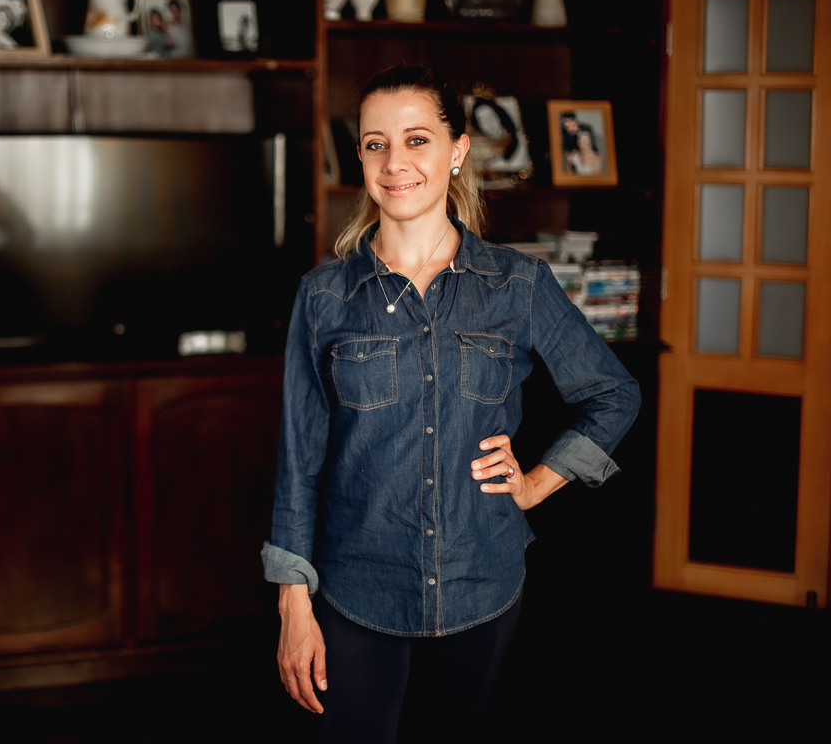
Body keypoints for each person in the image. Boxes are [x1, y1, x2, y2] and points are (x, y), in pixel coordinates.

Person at [264, 63, 640, 741]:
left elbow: (613, 393)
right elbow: (298, 460)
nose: (394, 162)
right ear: (361, 157)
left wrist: (536, 483)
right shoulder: (322, 298)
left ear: (457, 150)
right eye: (375, 143)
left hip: (483, 584)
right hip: (357, 589)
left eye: (417, 139)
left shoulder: (518, 285)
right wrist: (294, 603)